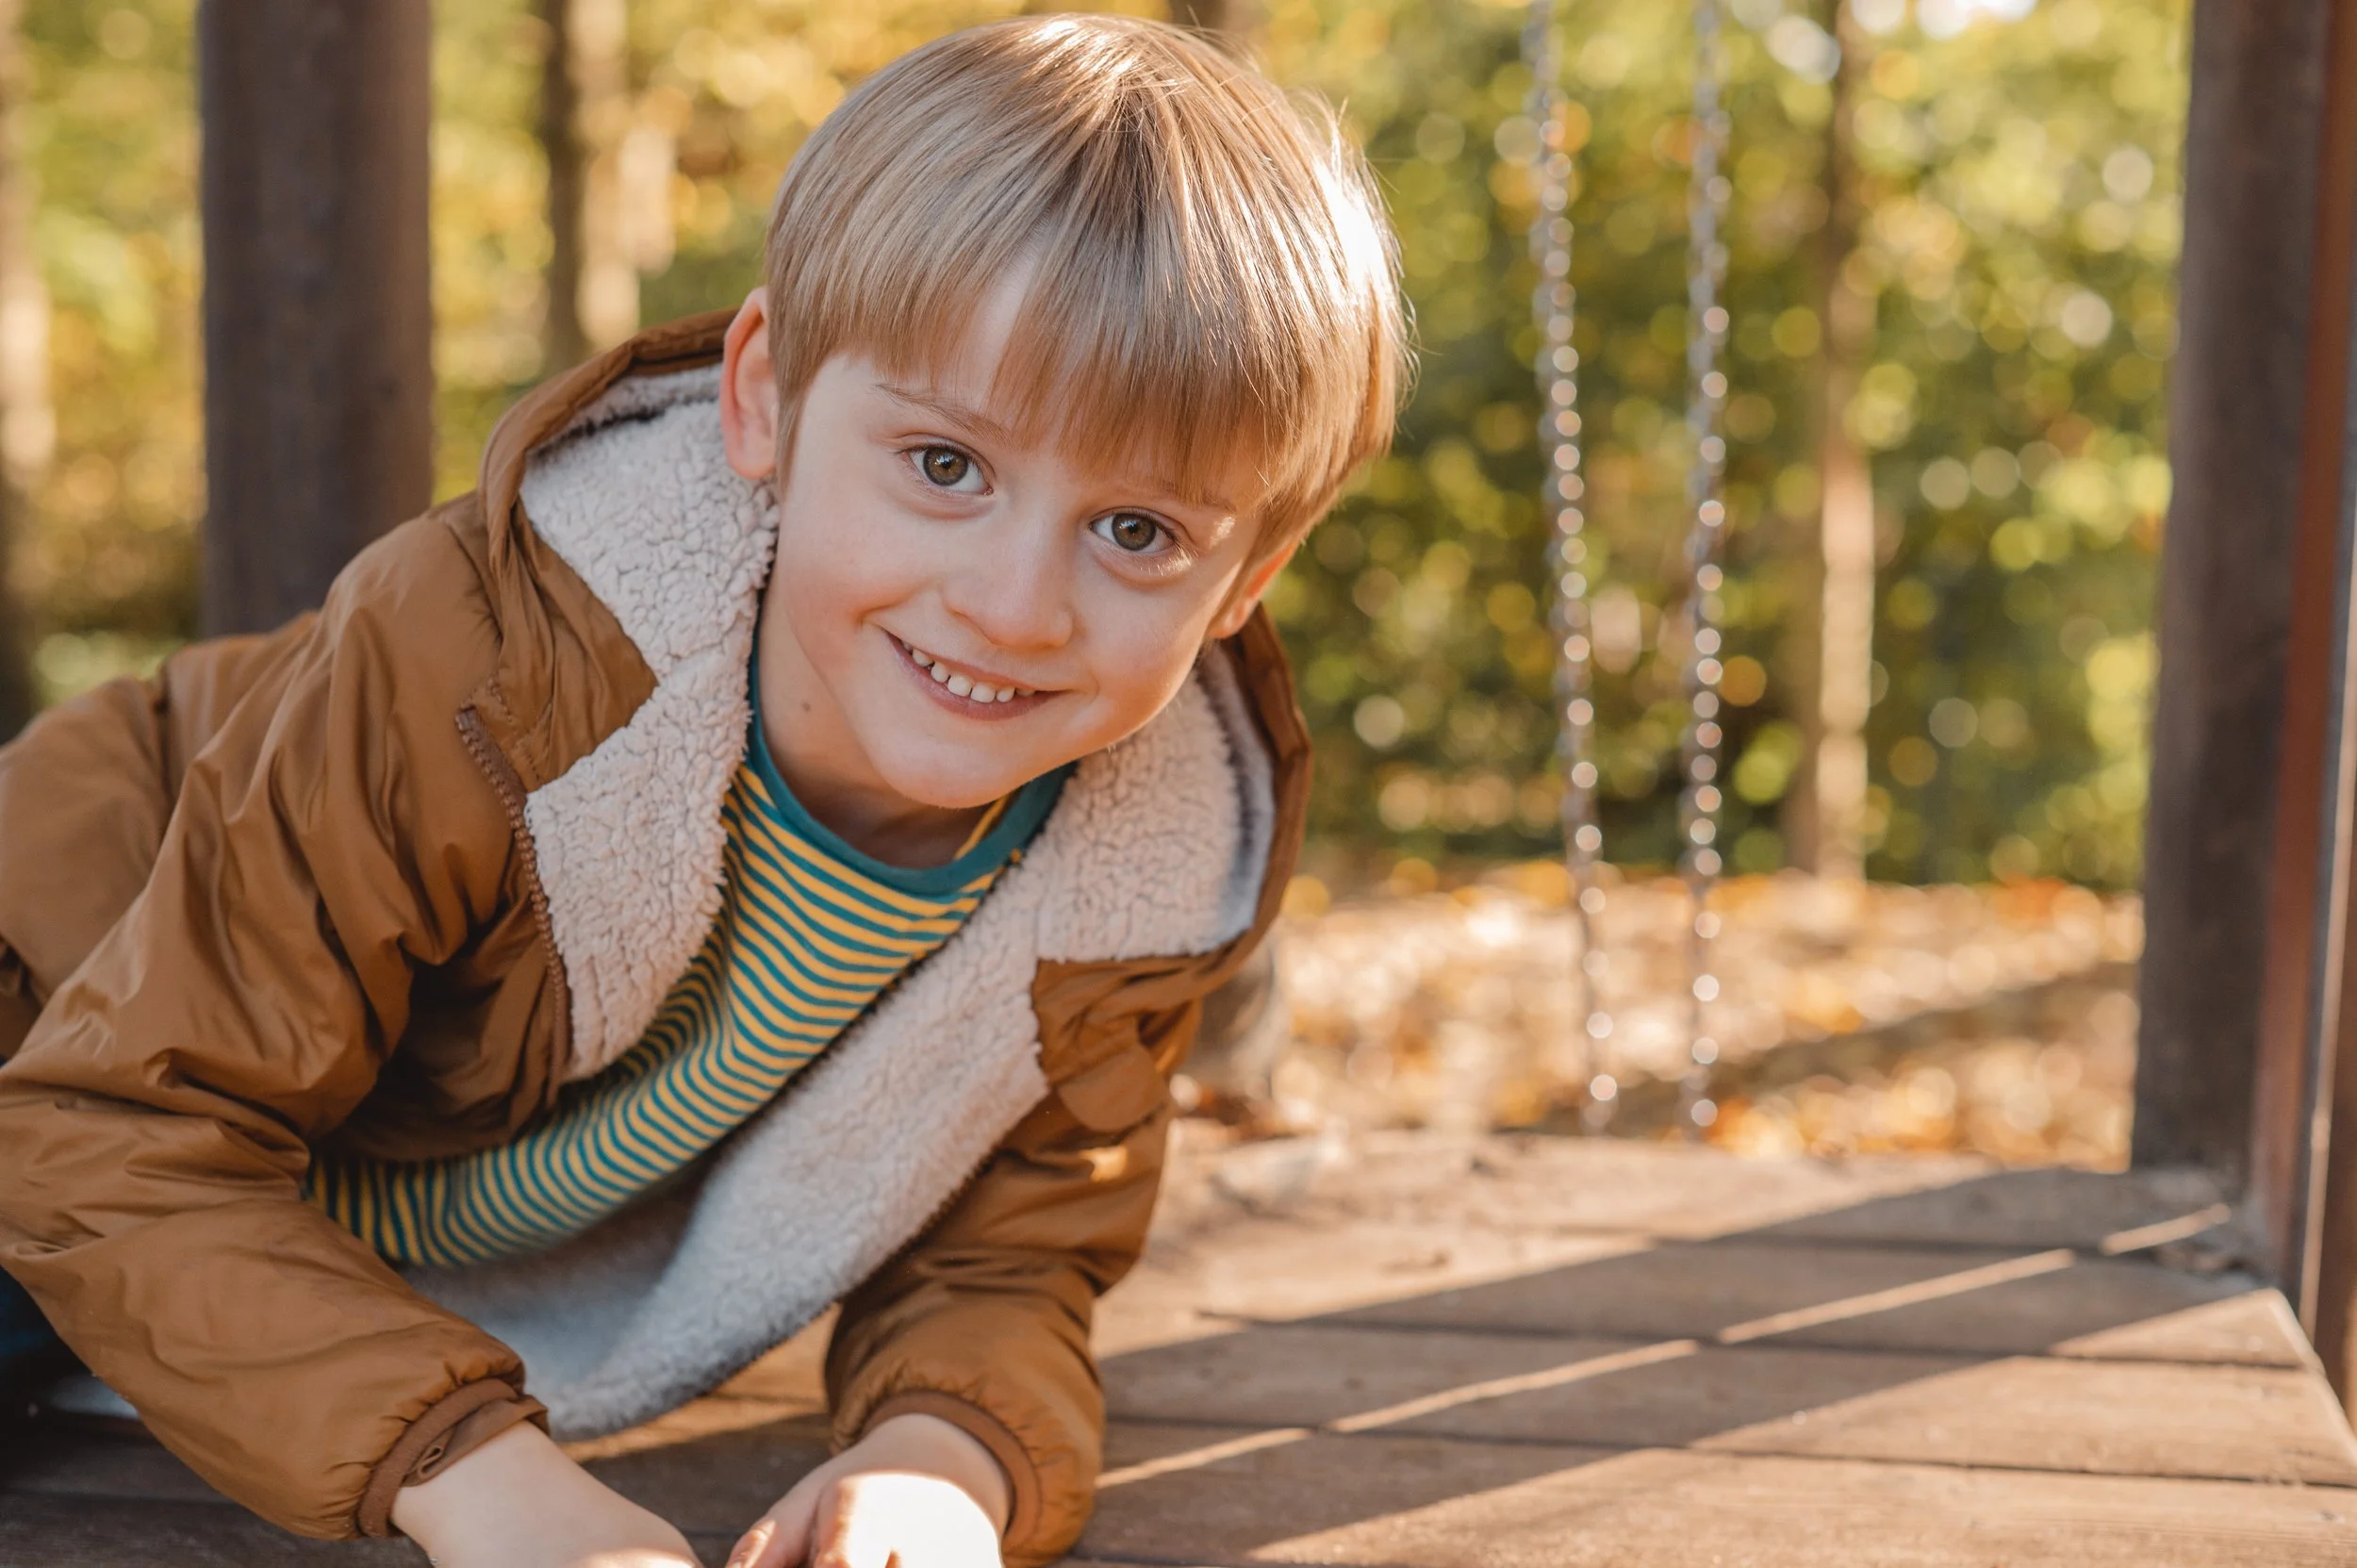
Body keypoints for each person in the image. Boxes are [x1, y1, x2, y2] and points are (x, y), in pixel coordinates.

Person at [0, 15, 1403, 1568]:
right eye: (944, 465)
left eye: (1138, 531)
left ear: (1245, 583)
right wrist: (479, 1477)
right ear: (767, 404)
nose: (1015, 606)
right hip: (52, 1014)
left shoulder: (1138, 877)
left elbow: (1014, 1254)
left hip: (300, 1257)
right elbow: (104, 1126)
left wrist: (947, 1458)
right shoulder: (494, 665)